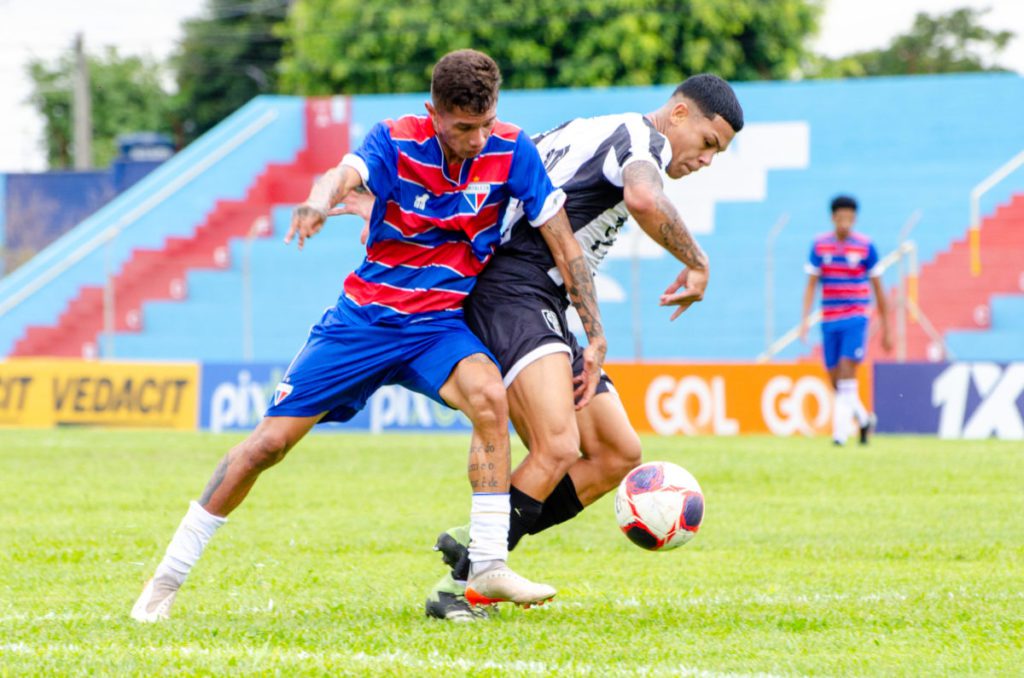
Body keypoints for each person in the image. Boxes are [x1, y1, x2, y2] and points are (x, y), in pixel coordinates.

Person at [130, 49, 608, 623]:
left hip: (436, 328)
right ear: (433, 112)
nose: (477, 139)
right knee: (267, 447)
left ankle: (486, 562)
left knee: (489, 396)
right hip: (362, 323)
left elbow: (564, 243)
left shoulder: (512, 150)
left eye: (485, 124)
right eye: (463, 127)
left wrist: (595, 334)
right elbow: (344, 174)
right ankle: (167, 578)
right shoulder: (394, 139)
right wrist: (316, 200)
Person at [363, 73, 741, 621]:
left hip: (544, 297)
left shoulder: (587, 128)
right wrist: (698, 262)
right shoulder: (644, 143)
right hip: (517, 289)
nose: (706, 159)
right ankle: (460, 587)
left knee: (617, 453)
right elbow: (641, 195)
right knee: (558, 445)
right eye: (709, 144)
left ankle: (474, 544)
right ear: (680, 114)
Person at [799, 195, 891, 446]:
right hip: (829, 318)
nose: (845, 223)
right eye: (841, 218)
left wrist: (887, 327)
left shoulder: (865, 246)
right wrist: (805, 320)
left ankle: (839, 435)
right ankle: (863, 419)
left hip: (856, 316)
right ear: (833, 218)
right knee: (834, 377)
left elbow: (879, 288)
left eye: (849, 218)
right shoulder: (820, 246)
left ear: (855, 219)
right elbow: (810, 286)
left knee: (847, 370)